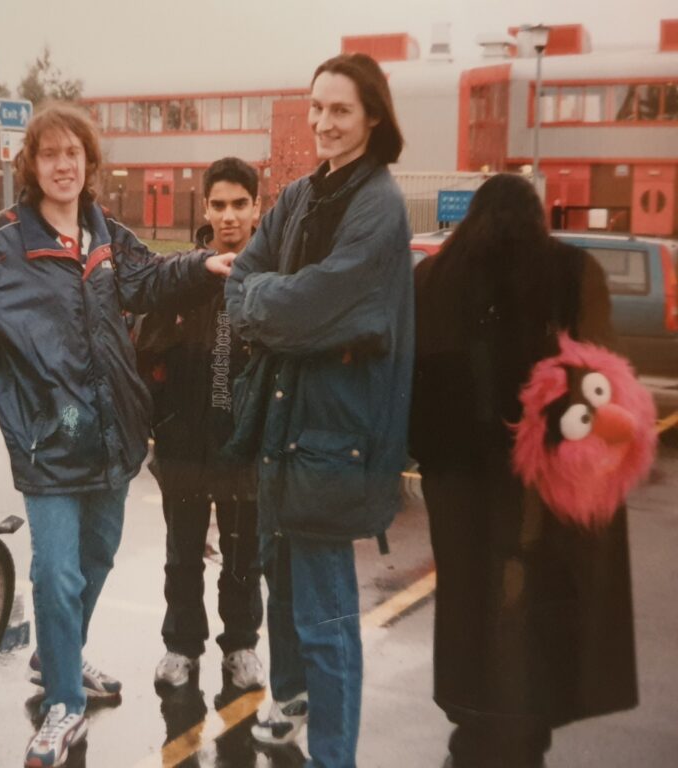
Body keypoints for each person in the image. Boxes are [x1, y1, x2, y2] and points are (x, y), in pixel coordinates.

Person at [0, 101, 234, 768]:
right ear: (32, 165)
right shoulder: (3, 243)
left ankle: (57, 658)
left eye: (73, 155)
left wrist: (203, 267)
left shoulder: (106, 234)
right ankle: (62, 706)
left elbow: (147, 280)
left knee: (97, 559)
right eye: (49, 154)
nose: (62, 165)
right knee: (56, 576)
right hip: (47, 444)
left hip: (114, 438)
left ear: (89, 166)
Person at [410, 174, 638, 768]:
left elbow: (413, 378)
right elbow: (602, 369)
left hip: (453, 471)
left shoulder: (432, 278)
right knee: (531, 588)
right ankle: (526, 715)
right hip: (542, 471)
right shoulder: (569, 272)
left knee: (463, 587)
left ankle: (466, 704)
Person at [223, 54, 413, 767]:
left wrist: (270, 305)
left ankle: (336, 757)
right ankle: (294, 699)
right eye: (317, 109)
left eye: (340, 110)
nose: (325, 123)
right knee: (291, 590)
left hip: (337, 438)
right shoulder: (302, 195)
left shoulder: (380, 205)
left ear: (372, 116)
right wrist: (273, 303)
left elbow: (321, 304)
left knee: (329, 619)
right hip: (287, 426)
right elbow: (244, 274)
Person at [136, 157, 265, 690]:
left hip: (242, 444)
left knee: (242, 554)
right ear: (205, 208)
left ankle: (241, 647)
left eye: (240, 204)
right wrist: (159, 427)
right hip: (185, 441)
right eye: (219, 205)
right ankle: (180, 647)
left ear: (257, 206)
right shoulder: (183, 275)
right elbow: (144, 348)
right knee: (182, 552)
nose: (229, 216)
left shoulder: (270, 275)